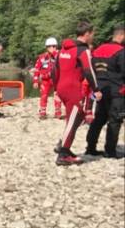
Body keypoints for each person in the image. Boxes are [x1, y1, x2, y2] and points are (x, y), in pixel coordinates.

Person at [52, 22, 102, 165]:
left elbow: (54, 70)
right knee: (74, 118)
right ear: (87, 34)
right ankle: (63, 153)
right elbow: (89, 70)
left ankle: (64, 145)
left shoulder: (63, 50)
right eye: (92, 34)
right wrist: (96, 89)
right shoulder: (83, 50)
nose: (93, 37)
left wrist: (56, 88)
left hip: (61, 87)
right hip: (72, 89)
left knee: (78, 116)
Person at [84, 24, 125, 158]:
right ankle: (110, 150)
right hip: (116, 91)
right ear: (122, 35)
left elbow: (92, 70)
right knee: (115, 120)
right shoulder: (120, 51)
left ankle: (90, 148)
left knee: (99, 120)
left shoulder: (98, 49)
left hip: (100, 90)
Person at [32, 37, 63, 119]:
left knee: (57, 96)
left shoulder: (60, 56)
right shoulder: (42, 57)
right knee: (44, 95)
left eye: (54, 46)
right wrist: (35, 81)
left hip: (57, 79)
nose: (52, 48)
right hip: (45, 80)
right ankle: (42, 112)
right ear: (46, 47)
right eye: (49, 46)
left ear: (56, 46)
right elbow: (37, 69)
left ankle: (58, 112)